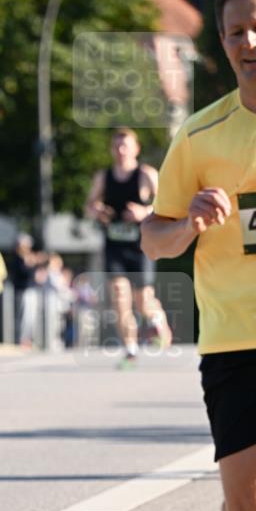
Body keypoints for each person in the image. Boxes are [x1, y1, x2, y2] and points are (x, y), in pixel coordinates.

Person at [141, 0, 256, 511]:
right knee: (246, 509)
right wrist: (187, 218)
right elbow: (153, 240)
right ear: (221, 44)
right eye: (235, 33)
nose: (250, 42)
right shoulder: (201, 134)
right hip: (232, 340)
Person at [85, 128, 172, 368]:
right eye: (116, 146)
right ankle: (130, 350)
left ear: (136, 148)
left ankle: (158, 320)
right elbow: (89, 206)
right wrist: (97, 211)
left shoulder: (146, 175)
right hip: (114, 245)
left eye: (125, 145)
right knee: (120, 297)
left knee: (143, 300)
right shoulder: (104, 177)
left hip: (141, 245)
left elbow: (168, 204)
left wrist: (144, 212)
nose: (121, 151)